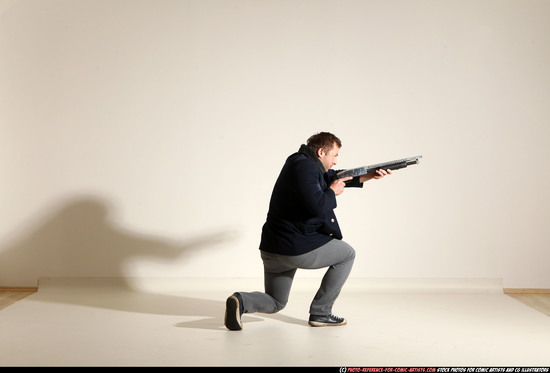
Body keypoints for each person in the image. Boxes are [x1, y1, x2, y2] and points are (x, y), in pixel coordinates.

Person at [224, 132, 392, 330]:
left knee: (277, 301)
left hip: (273, 250)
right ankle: (322, 313)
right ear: (322, 152)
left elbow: (333, 177)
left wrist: (369, 175)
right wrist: (332, 191)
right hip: (294, 248)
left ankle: (241, 301)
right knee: (347, 254)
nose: (336, 161)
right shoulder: (305, 167)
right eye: (335, 155)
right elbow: (317, 204)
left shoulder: (302, 163)